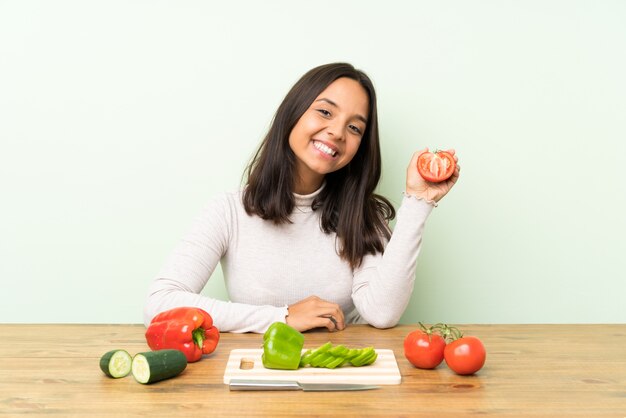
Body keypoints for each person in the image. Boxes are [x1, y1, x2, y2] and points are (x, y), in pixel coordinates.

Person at [143, 63, 459, 334]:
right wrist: (280, 318)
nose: (337, 132)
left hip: (339, 382)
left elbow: (382, 313)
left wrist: (419, 201)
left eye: (354, 127)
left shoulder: (363, 217)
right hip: (256, 380)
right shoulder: (228, 211)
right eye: (324, 112)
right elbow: (160, 303)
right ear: (293, 114)